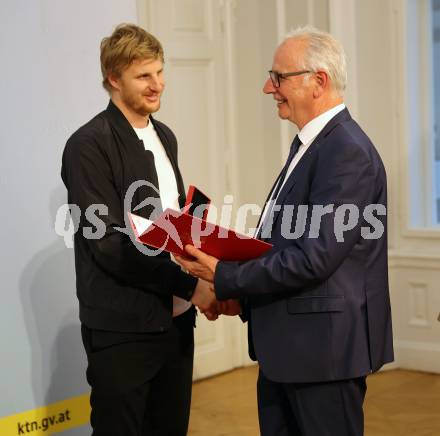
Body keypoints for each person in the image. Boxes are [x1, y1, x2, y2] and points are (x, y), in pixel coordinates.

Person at [176, 26, 394, 436]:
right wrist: (240, 291)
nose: (267, 87)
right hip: (292, 349)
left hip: (322, 357)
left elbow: (315, 257)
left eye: (278, 77)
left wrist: (225, 277)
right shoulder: (311, 144)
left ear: (319, 81)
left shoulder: (346, 150)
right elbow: (284, 244)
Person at [61, 23, 216, 436]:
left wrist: (203, 258)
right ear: (114, 79)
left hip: (177, 326)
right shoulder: (87, 145)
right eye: (144, 75)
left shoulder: (165, 136)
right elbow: (110, 245)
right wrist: (192, 288)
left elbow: (166, 226)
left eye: (160, 72)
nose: (157, 85)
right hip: (123, 330)